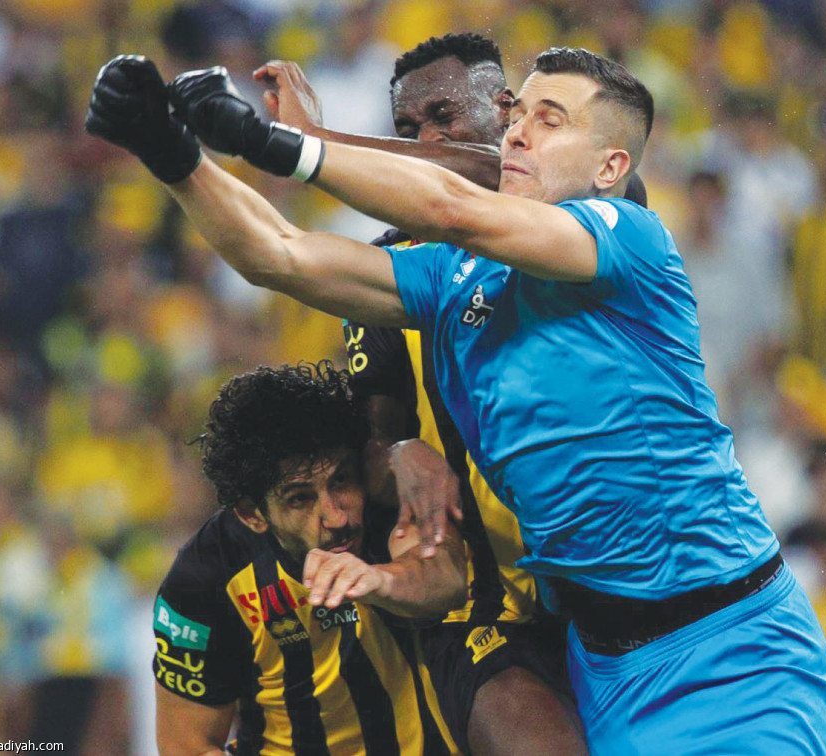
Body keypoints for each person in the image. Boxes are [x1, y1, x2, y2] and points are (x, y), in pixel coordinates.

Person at [86, 46, 826, 753]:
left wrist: (278, 142)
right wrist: (173, 155)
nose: (519, 132)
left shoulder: (626, 236)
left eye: (550, 120)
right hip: (603, 665)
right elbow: (281, 255)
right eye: (519, 115)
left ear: (611, 166)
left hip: (728, 649)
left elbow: (455, 205)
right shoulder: (451, 279)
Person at [263, 34, 589, 756]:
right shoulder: (390, 269)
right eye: (408, 129)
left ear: (507, 113)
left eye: (444, 117)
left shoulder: (586, 213)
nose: (425, 142)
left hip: (613, 594)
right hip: (483, 611)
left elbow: (486, 179)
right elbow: (375, 451)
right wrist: (402, 447)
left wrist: (318, 144)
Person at [153, 361, 466, 755]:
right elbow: (188, 746)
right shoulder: (207, 575)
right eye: (300, 498)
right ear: (252, 515)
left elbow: (449, 578)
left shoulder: (386, 500)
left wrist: (381, 580)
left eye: (341, 480)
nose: (336, 517)